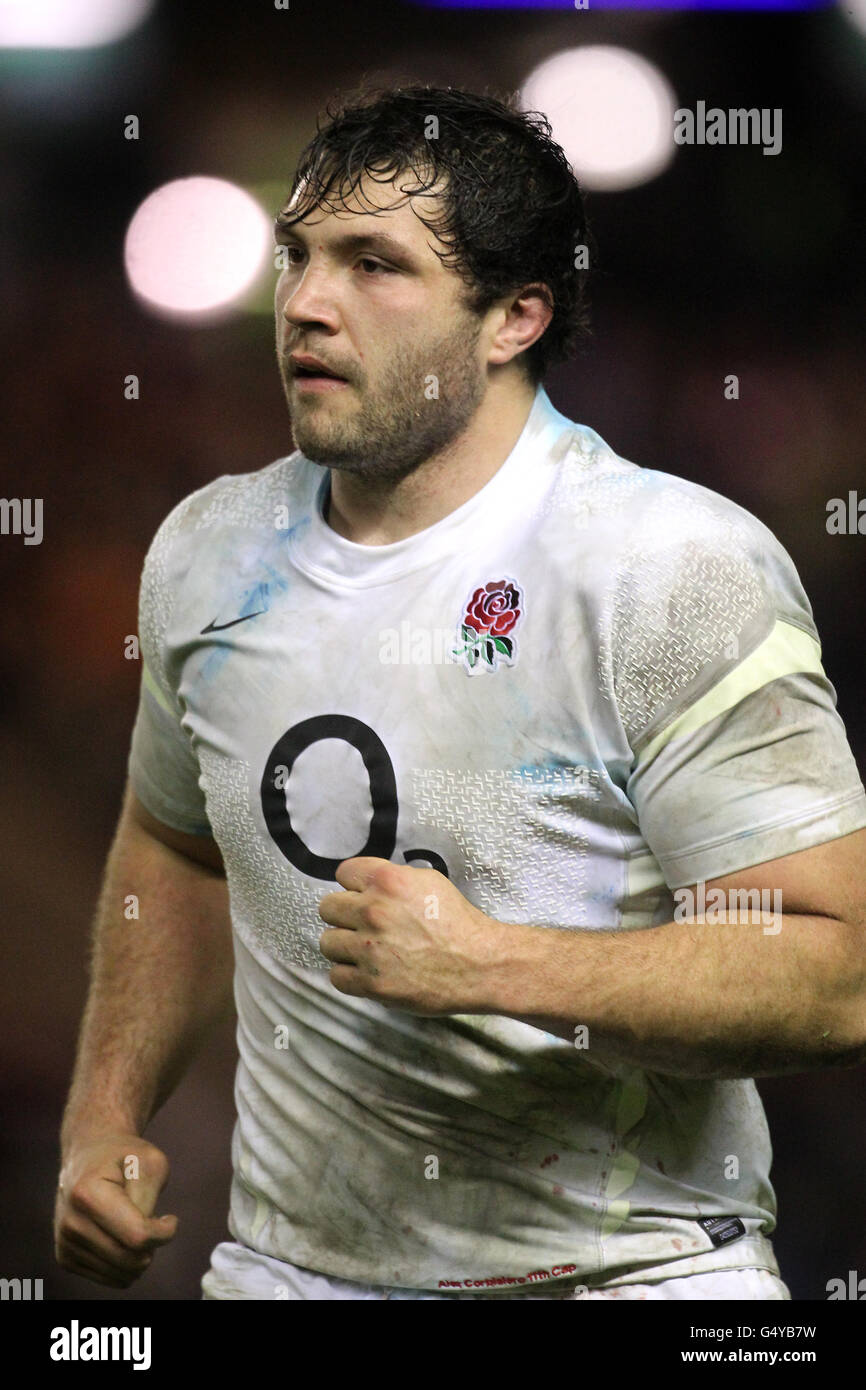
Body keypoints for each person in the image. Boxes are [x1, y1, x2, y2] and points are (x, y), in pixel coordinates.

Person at [55, 84, 866, 1301]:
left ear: (512, 317)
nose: (305, 304)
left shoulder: (663, 567)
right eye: (297, 255)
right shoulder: (206, 550)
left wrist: (496, 965)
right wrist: (103, 1112)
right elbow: (173, 847)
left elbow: (835, 966)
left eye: (374, 264)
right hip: (287, 1273)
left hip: (625, 1275)